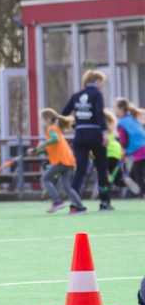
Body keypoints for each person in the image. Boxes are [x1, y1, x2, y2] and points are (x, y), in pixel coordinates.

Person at [61, 70, 112, 210]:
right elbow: (99, 114)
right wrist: (105, 134)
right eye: (101, 82)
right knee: (101, 168)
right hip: (95, 138)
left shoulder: (76, 95)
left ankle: (75, 204)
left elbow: (63, 113)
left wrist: (71, 124)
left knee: (80, 170)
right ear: (97, 81)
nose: (102, 85)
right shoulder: (97, 94)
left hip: (80, 137)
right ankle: (104, 202)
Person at [28, 109, 86, 214]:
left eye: (41, 119)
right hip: (68, 161)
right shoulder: (54, 129)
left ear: (47, 119)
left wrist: (43, 143)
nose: (40, 122)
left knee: (45, 179)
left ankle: (57, 202)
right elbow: (49, 147)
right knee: (67, 187)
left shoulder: (51, 129)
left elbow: (55, 139)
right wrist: (36, 150)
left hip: (61, 161)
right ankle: (80, 207)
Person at [115, 97, 145, 196]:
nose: (114, 110)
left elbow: (123, 140)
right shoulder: (132, 118)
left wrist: (124, 151)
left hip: (140, 152)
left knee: (139, 178)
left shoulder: (121, 123)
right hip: (141, 149)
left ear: (120, 109)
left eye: (115, 108)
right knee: (136, 176)